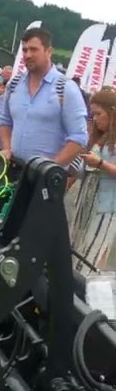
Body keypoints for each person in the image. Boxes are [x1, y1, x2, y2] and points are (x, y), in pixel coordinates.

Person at [0, 28, 88, 172]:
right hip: (13, 168)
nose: (28, 55)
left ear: (48, 51)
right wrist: (7, 148)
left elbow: (79, 137)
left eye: (34, 49)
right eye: (25, 50)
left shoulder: (65, 88)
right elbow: (5, 121)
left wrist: (51, 167)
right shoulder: (14, 84)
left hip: (44, 177)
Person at [66, 89, 116, 272]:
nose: (95, 119)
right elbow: (81, 167)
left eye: (98, 114)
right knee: (76, 246)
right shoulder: (98, 137)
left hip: (105, 209)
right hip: (85, 202)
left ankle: (81, 293)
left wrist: (100, 163)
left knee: (91, 252)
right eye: (92, 114)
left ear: (112, 112)